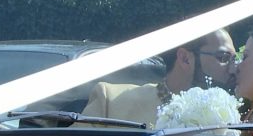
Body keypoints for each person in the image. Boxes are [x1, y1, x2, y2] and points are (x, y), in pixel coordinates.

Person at [80, 28, 237, 128]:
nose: (233, 69)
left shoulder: (234, 118)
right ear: (185, 59)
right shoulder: (111, 102)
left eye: (235, 59)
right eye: (223, 57)